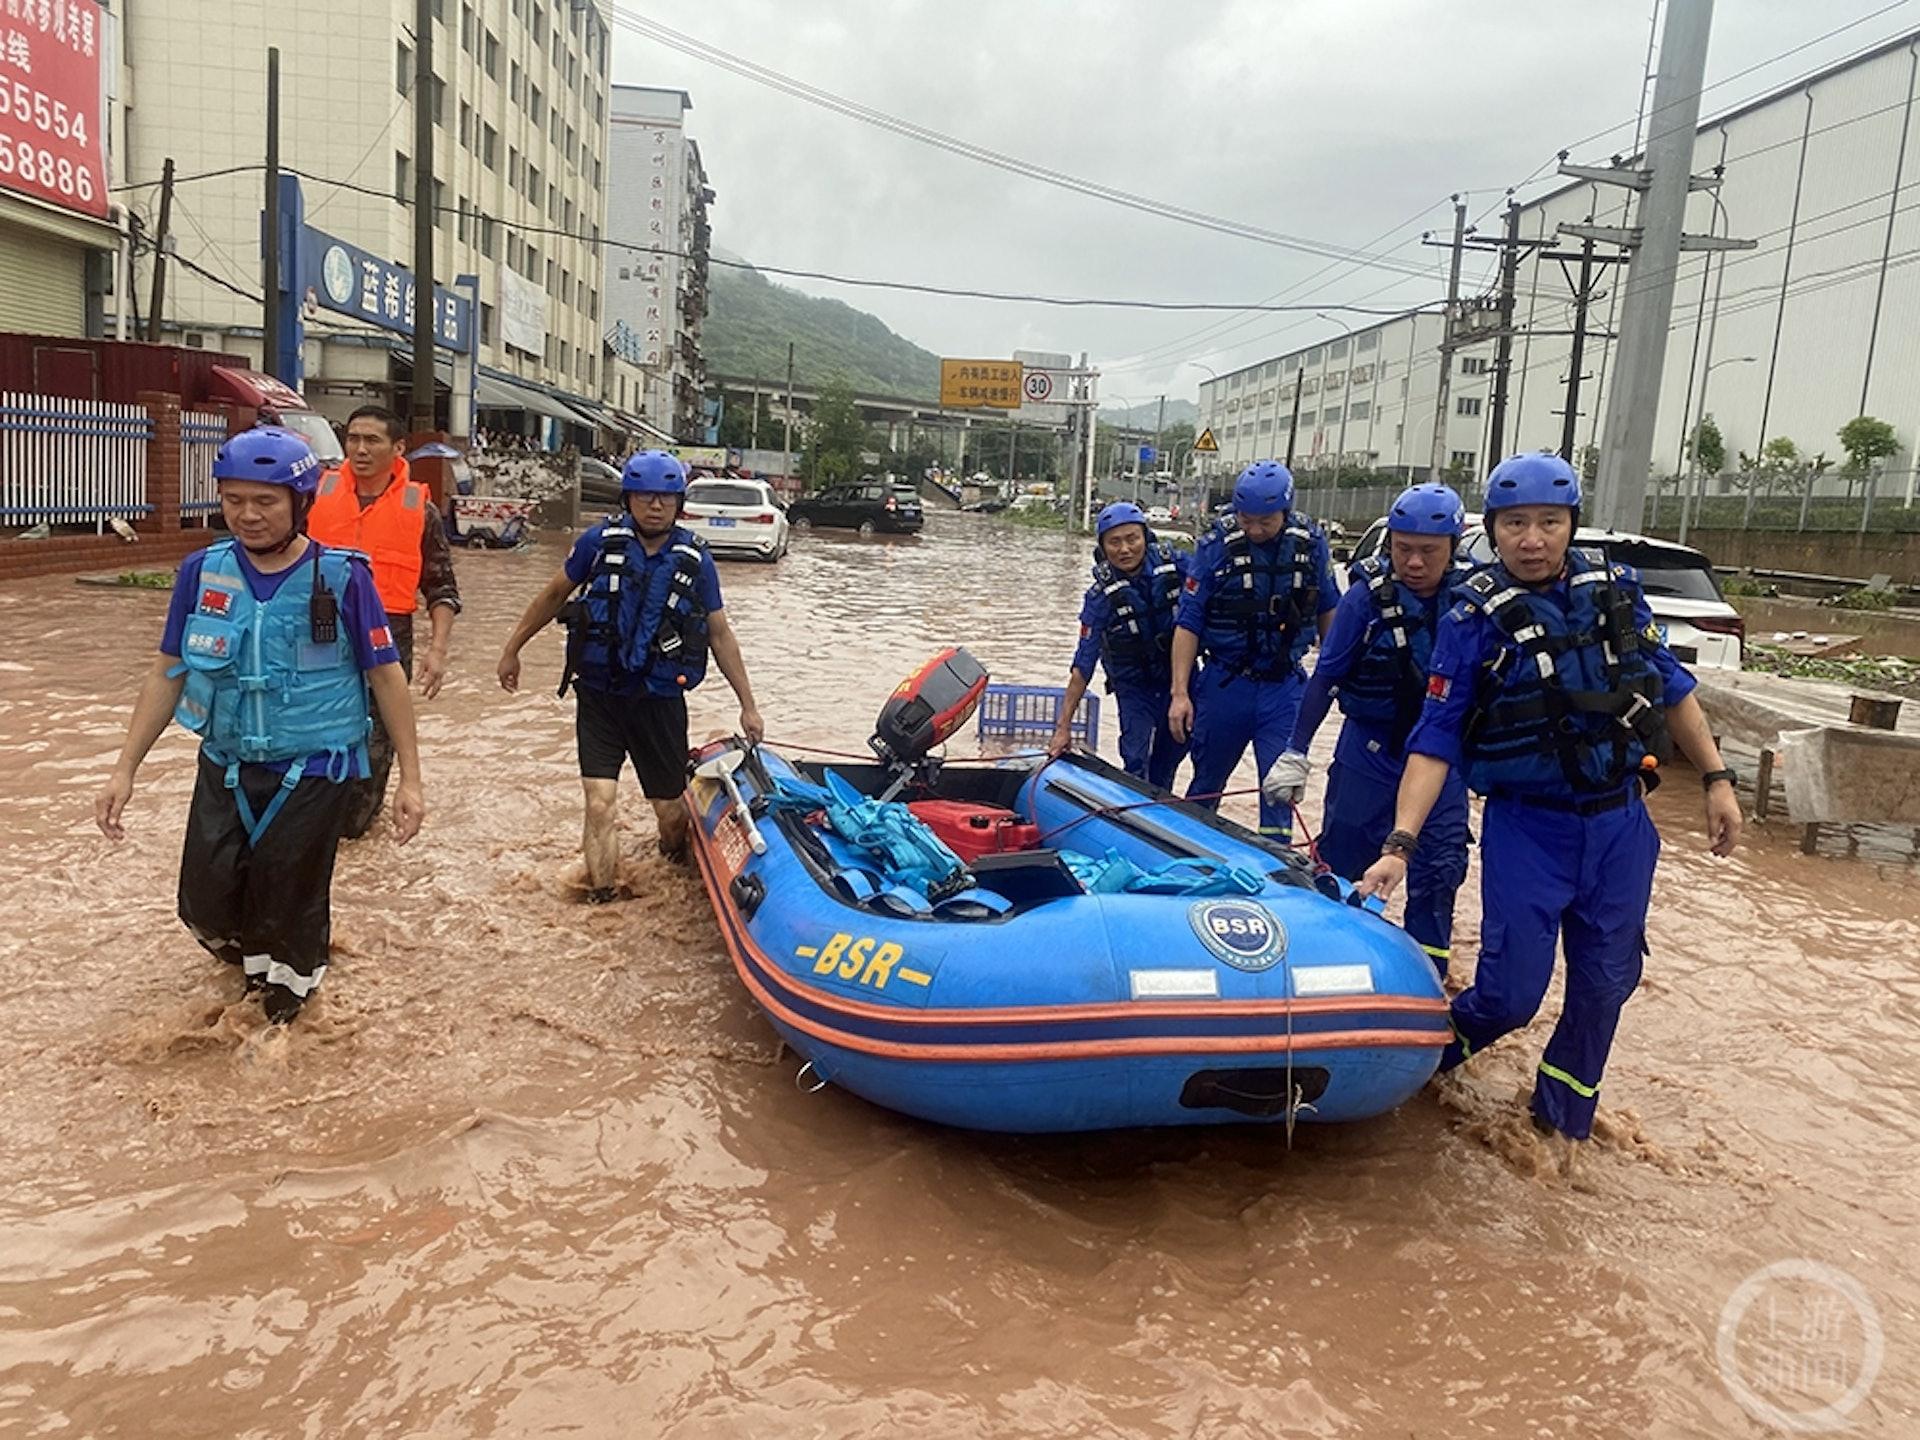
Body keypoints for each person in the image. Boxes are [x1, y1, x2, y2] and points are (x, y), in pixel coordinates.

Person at [1357, 452, 1742, 1144]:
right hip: (1530, 831)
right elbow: (1436, 737)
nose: (1531, 540)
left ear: (1570, 526)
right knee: (1510, 996)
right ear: (1493, 531)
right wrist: (1400, 845)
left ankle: (1560, 1132)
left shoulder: (1618, 594)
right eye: (1515, 525)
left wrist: (1716, 781)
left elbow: (1677, 693)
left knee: (1605, 988)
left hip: (1622, 825)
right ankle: (1428, 1069)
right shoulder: (1473, 618)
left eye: (1548, 523)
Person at [93, 427, 425, 1024]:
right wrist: (124, 770)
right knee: (203, 905)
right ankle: (251, 965)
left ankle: (282, 1025)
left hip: (317, 768)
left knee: (285, 904)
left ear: (299, 503)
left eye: (265, 501)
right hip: (227, 763)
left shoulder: (345, 578)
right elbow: (166, 672)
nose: (248, 515)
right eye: (234, 500)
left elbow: (386, 678)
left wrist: (411, 779)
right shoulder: (201, 573)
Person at [496, 450, 764, 900]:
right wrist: (512, 648)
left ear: (679, 503)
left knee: (670, 811)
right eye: (644, 496)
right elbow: (553, 594)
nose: (654, 506)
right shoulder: (598, 542)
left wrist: (748, 705)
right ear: (628, 498)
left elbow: (720, 634)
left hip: (659, 702)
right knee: (599, 803)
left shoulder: (695, 560)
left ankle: (670, 859)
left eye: (665, 498)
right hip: (600, 696)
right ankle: (603, 902)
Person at [1263, 482, 1472, 974]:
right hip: (1370, 751)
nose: (1414, 563)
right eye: (1403, 550)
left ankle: (1427, 977)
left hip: (1441, 763)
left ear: (1453, 549)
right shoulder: (1365, 598)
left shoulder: (1473, 603)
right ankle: (1325, 962)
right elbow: (1327, 676)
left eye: (1428, 552)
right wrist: (1297, 750)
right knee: (1341, 861)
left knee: (1439, 871)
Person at [306, 404, 461, 839]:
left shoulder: (420, 511)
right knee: (308, 741)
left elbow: (442, 587)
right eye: (352, 439)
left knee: (374, 750)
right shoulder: (314, 495)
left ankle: (355, 837)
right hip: (316, 637)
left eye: (371, 440)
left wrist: (438, 650)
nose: (359, 449)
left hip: (386, 640)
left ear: (398, 448)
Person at [1169, 461, 1337, 841]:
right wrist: (1180, 693)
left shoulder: (1311, 545)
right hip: (1225, 684)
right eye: (1247, 520)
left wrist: (1334, 678)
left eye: (1266, 522)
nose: (1255, 530)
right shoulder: (1215, 546)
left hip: (1283, 688)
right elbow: (1189, 621)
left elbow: (1329, 608)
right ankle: (1188, 855)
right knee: (1207, 782)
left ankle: (1276, 865)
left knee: (1279, 788)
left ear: (1285, 511)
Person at [1048, 501, 1189, 788]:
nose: (1124, 549)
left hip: (1180, 680)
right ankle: (1136, 813)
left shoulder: (1175, 566)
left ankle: (1166, 804)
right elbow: (1082, 666)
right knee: (1136, 758)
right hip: (1134, 688)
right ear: (1103, 548)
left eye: (1132, 539)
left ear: (1145, 539)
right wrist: (1063, 728)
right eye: (1114, 542)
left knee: (1173, 754)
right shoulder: (1099, 598)